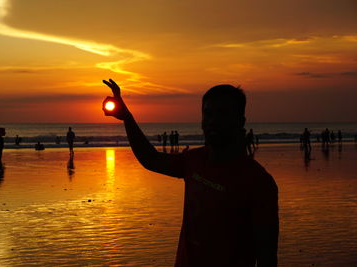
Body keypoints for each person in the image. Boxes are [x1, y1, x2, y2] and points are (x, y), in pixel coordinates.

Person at [102, 79, 278, 267]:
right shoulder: (193, 161)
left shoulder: (258, 182)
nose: (213, 122)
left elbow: (267, 256)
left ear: (239, 121)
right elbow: (150, 159)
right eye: (208, 114)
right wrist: (126, 117)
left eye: (222, 114)